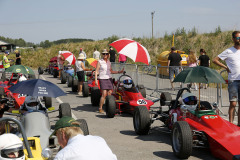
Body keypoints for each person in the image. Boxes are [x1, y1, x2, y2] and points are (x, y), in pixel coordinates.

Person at [51, 116, 117, 160]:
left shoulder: (62, 156)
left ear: (62, 134)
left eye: (57, 136)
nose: (59, 142)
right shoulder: (99, 140)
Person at [213, 31, 240, 126]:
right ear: (233, 39)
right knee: (233, 103)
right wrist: (225, 67)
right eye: (237, 38)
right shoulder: (228, 51)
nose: (239, 39)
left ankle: (239, 124)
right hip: (233, 80)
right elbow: (215, 60)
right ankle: (231, 123)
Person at [95, 49, 124, 113]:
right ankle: (100, 108)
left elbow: (111, 71)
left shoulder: (109, 62)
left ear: (108, 55)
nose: (105, 55)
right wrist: (96, 80)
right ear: (102, 55)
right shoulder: (100, 61)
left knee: (110, 93)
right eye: (104, 54)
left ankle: (109, 107)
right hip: (102, 78)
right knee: (104, 94)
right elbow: (96, 71)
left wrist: (119, 71)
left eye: (106, 54)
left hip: (109, 78)